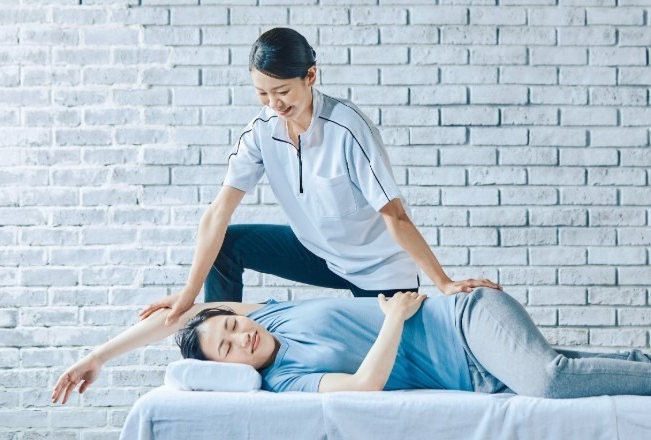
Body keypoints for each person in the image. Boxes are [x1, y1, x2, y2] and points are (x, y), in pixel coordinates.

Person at [139, 27, 501, 327]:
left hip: (378, 268)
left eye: (282, 92)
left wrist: (444, 282)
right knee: (227, 244)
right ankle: (219, 339)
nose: (274, 104)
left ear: (310, 76)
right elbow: (218, 212)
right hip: (318, 252)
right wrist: (190, 293)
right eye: (262, 94)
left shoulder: (347, 129)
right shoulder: (262, 131)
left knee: (391, 364)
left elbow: (395, 215)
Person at [52, 288, 651, 404]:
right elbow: (364, 385)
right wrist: (393, 318)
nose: (240, 336)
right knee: (561, 367)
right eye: (229, 348)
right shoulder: (286, 382)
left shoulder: (270, 313)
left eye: (230, 326)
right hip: (478, 373)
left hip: (467, 317)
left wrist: (96, 356)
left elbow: (176, 317)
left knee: (548, 380)